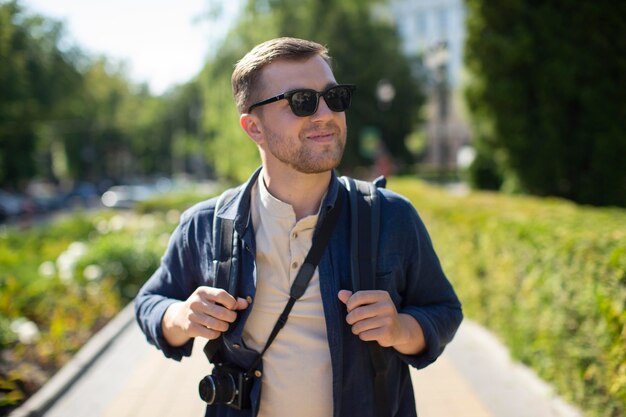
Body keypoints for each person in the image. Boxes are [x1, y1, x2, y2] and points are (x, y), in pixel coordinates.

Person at [135, 37, 463, 417]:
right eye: (302, 101)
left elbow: (443, 309)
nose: (325, 113)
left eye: (334, 97)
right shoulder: (205, 225)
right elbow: (149, 303)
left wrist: (401, 329)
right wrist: (181, 317)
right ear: (253, 127)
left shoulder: (391, 216)